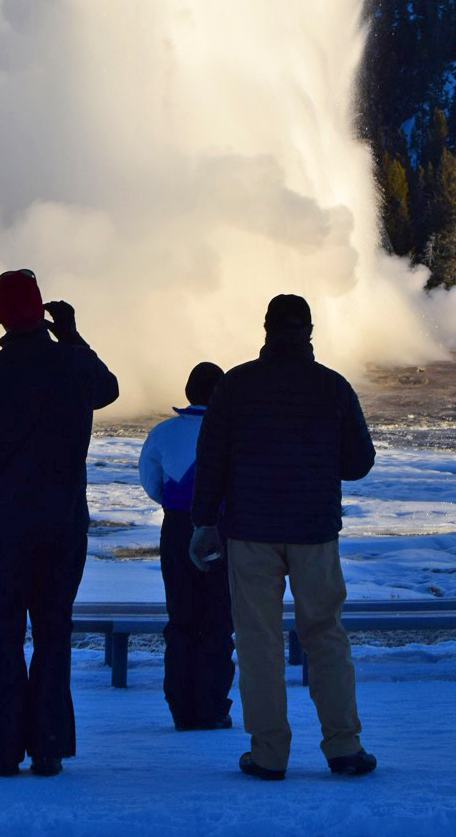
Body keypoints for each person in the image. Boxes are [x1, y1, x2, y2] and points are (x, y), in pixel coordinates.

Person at [189, 294, 377, 780]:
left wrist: (204, 521)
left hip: (250, 531)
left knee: (258, 642)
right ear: (309, 331)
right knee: (326, 635)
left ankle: (269, 754)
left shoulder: (235, 385)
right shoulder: (332, 387)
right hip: (314, 530)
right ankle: (344, 746)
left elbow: (210, 461)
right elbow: (358, 464)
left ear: (267, 328)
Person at [0, 269, 119, 777]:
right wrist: (71, 334)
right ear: (42, 310)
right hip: (62, 524)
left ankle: (2, 750)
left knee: (2, 633)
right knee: (52, 632)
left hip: (2, 527)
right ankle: (47, 747)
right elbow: (107, 389)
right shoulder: (70, 363)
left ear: (0, 315)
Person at [138, 361, 234, 731]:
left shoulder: (163, 432)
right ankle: (211, 707)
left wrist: (176, 505)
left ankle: (181, 706)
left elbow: (151, 483)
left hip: (177, 528)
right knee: (217, 619)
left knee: (181, 618)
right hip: (224, 530)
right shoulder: (232, 432)